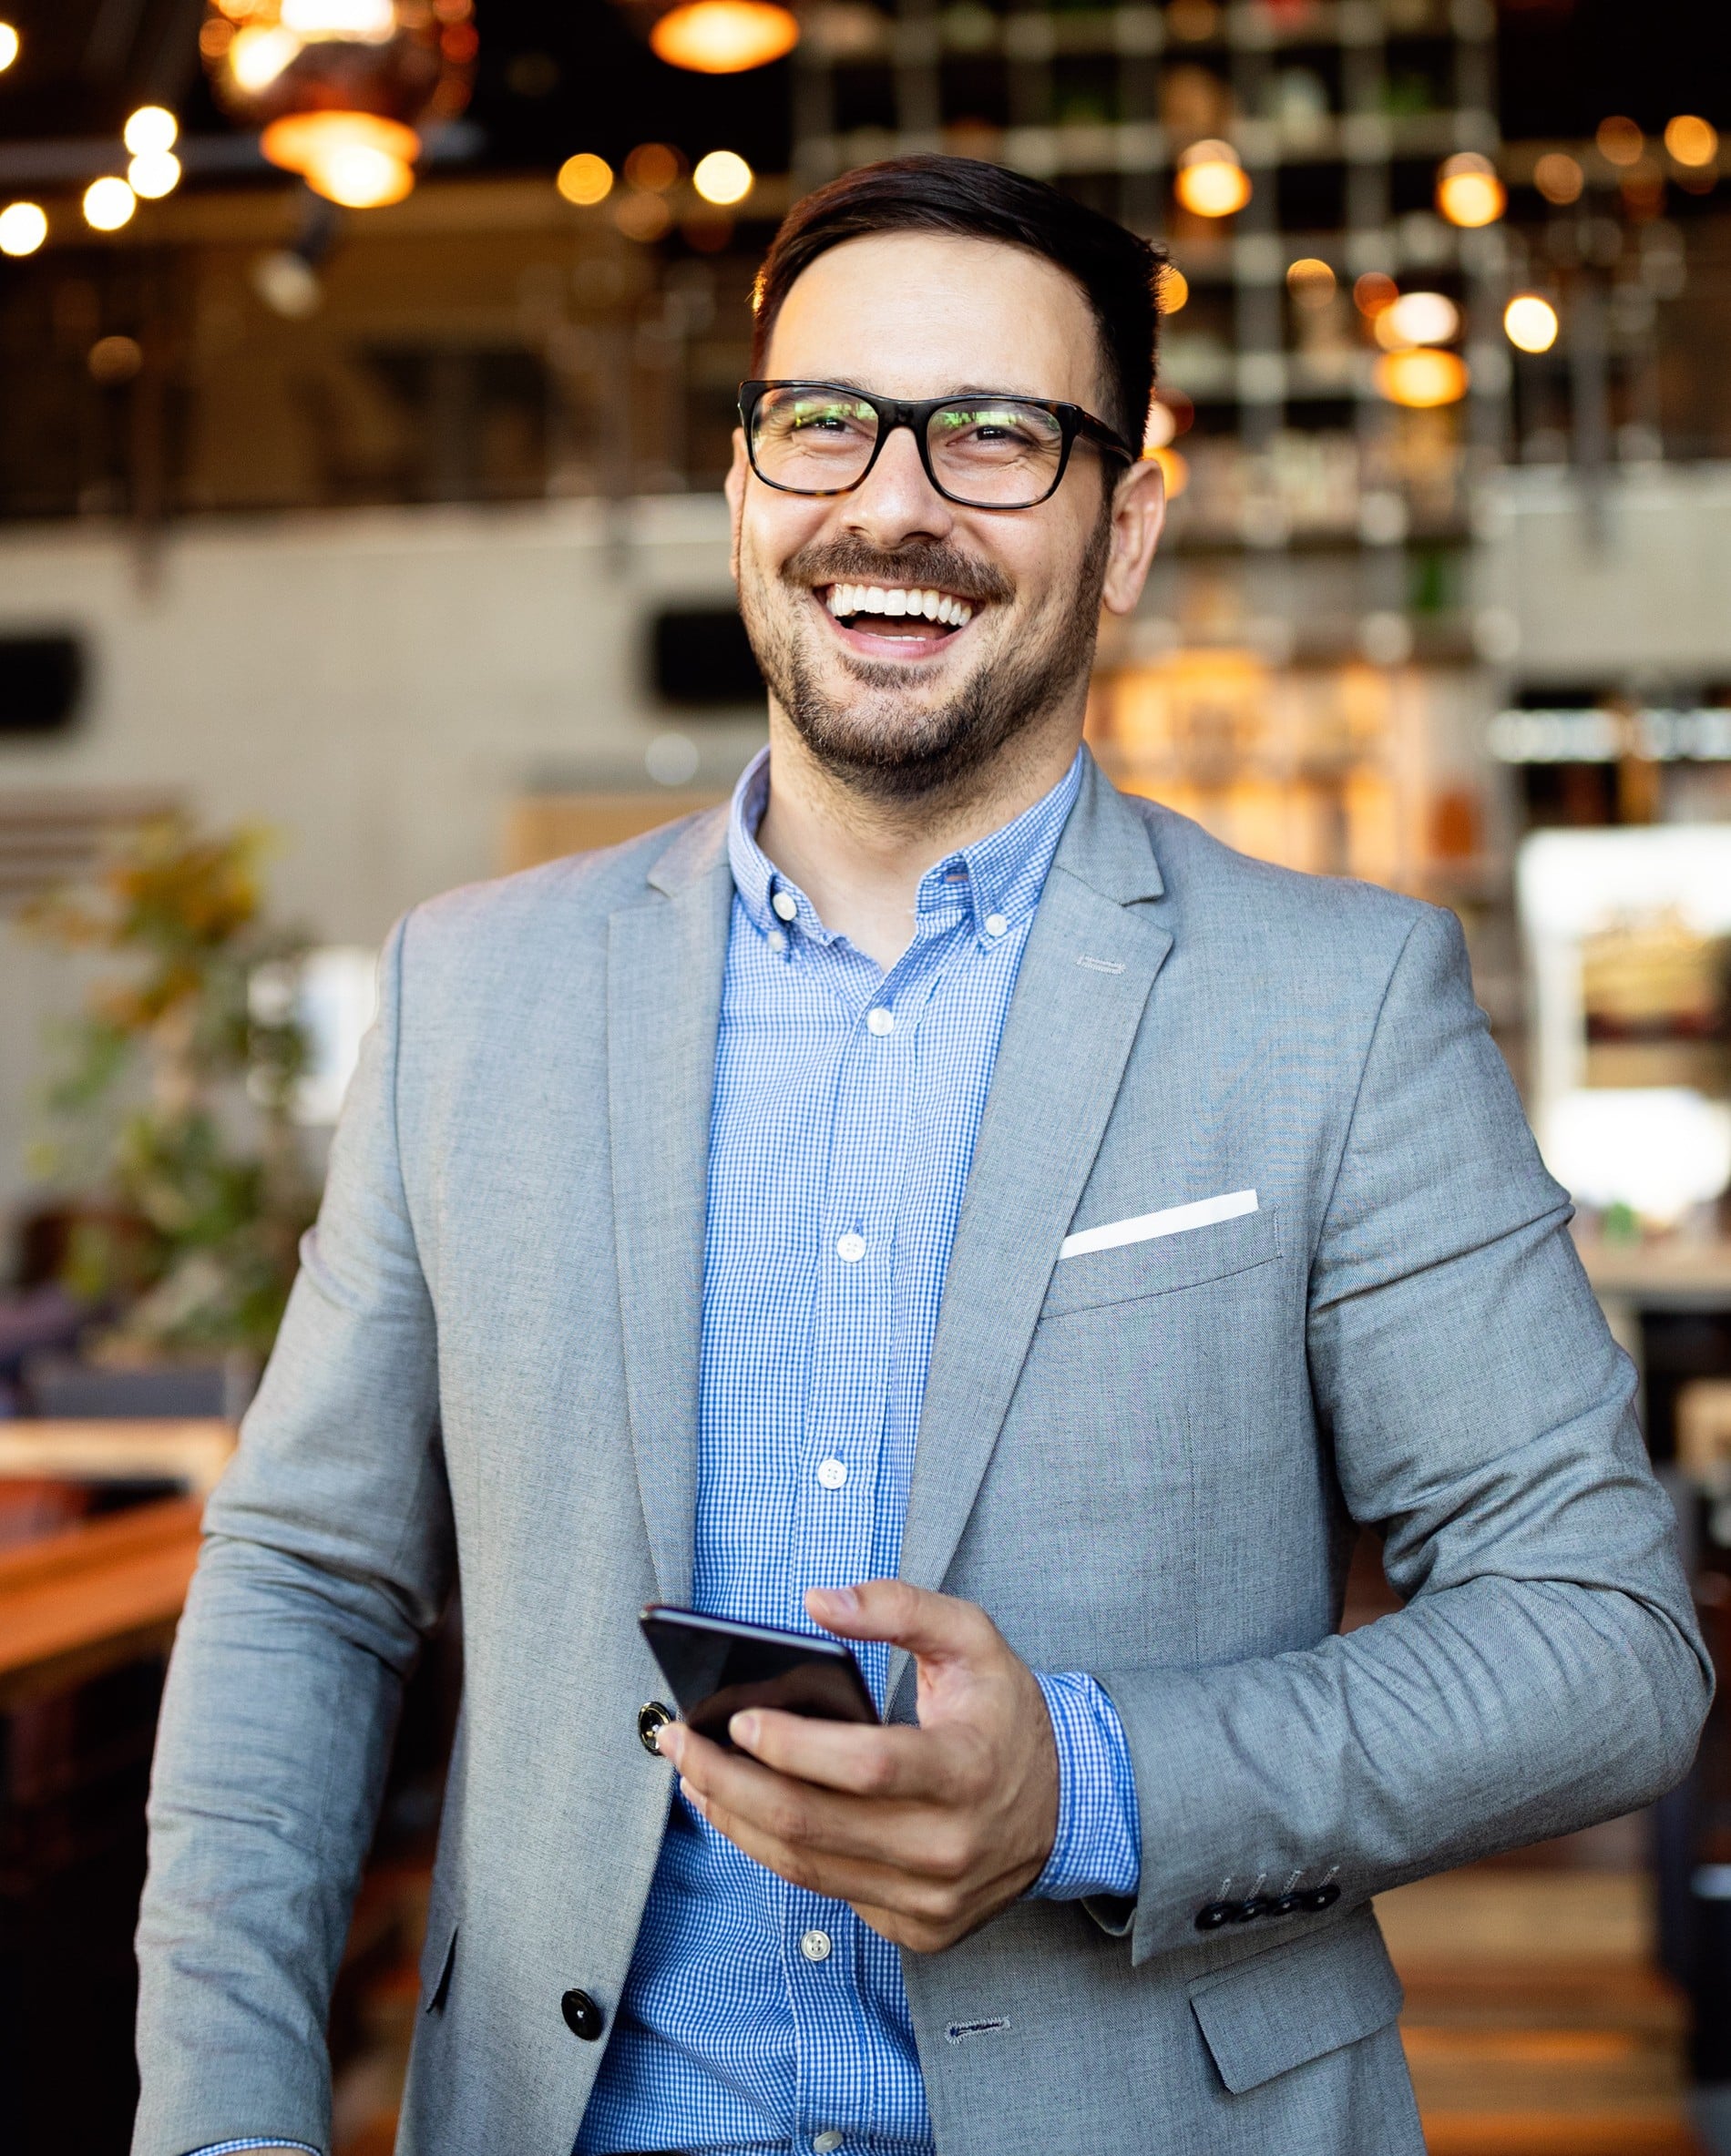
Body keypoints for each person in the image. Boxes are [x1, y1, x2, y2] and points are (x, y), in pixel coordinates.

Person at [133, 156, 1709, 2156]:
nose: (889, 503)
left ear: (1122, 525)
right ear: (739, 487)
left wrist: (1091, 1779)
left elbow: (1599, 1633)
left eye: (993, 436)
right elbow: (304, 1583)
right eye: (823, 423)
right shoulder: (479, 993)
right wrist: (225, 2121)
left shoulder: (1334, 1004)